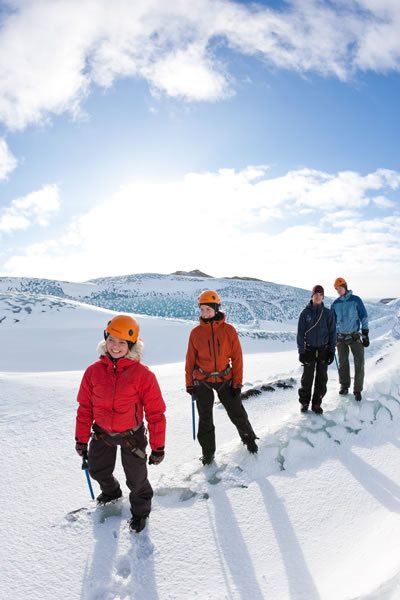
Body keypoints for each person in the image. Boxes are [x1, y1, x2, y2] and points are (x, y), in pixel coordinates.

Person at [74, 315, 166, 533]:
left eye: (122, 342)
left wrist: (158, 446)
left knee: (137, 481)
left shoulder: (143, 375)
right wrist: (81, 438)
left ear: (131, 345)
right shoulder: (93, 372)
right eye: (112, 340)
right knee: (97, 471)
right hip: (101, 434)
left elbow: (155, 413)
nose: (115, 347)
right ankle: (112, 492)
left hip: (131, 437)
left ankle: (141, 513)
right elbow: (84, 408)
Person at [185, 290, 258, 465]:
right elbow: (190, 360)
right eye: (202, 310)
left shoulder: (229, 330)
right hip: (202, 381)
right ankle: (208, 454)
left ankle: (249, 440)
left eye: (208, 309)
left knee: (237, 412)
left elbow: (237, 357)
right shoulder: (195, 333)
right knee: (205, 419)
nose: (205, 313)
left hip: (226, 379)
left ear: (216, 308)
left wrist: (237, 383)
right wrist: (189, 384)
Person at [297, 284, 336, 414]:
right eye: (316, 294)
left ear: (323, 297)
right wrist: (301, 351)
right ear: (312, 296)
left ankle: (316, 404)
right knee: (307, 378)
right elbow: (300, 334)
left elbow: (332, 333)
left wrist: (331, 351)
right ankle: (304, 403)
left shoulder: (328, 313)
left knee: (321, 378)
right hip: (309, 350)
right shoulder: (305, 313)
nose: (318, 297)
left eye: (320, 295)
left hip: (324, 350)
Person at [331, 277, 369, 401]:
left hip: (354, 336)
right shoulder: (335, 303)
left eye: (340, 288)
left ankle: (357, 390)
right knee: (343, 362)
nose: (338, 291)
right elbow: (332, 321)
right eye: (336, 289)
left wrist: (365, 333)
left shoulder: (356, 300)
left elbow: (363, 316)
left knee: (359, 363)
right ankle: (344, 385)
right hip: (340, 337)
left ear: (345, 287)